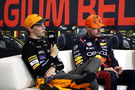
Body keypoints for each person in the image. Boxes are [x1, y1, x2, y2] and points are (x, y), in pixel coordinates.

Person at [22, 14, 101, 90]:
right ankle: (82, 79)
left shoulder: (46, 42)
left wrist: (53, 66)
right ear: (30, 29)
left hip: (61, 73)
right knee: (92, 81)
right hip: (51, 79)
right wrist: (52, 56)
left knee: (96, 60)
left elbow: (60, 65)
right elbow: (39, 72)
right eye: (40, 25)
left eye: (43, 24)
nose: (44, 27)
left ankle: (85, 76)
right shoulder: (28, 48)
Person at [72, 14, 135, 90]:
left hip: (109, 73)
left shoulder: (104, 42)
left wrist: (116, 67)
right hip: (92, 74)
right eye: (95, 28)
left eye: (100, 27)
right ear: (87, 28)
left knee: (133, 74)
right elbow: (82, 66)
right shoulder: (80, 43)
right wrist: (105, 69)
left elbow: (112, 58)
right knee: (110, 74)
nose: (99, 30)